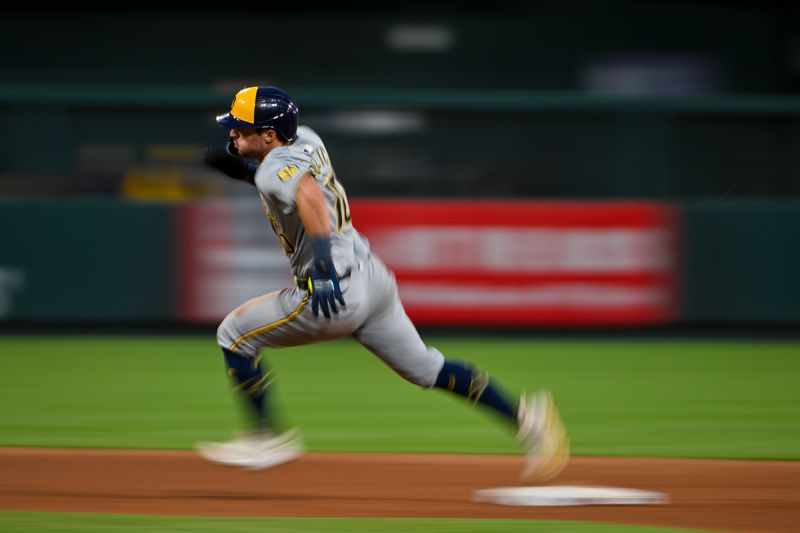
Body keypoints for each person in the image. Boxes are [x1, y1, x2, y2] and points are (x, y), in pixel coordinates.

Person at [196, 85, 569, 480]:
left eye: (240, 128)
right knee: (426, 367)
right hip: (372, 278)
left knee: (234, 334)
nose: (232, 133)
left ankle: (265, 436)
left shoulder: (274, 170)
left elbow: (307, 195)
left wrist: (321, 263)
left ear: (268, 135)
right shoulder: (306, 138)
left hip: (332, 293)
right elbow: (286, 178)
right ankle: (527, 419)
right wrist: (240, 167)